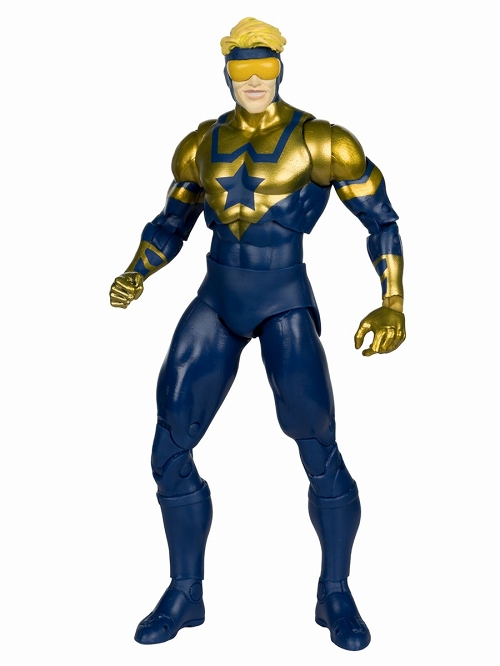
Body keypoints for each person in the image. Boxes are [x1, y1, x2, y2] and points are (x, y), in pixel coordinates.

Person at [110, 17, 405, 651]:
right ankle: (185, 592)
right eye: (241, 68)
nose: (253, 79)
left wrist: (393, 303)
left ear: (280, 68)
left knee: (319, 449)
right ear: (225, 72)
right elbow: (171, 222)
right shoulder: (201, 144)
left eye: (263, 67)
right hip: (216, 299)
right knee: (168, 446)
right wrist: (137, 271)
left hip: (284, 302)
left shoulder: (322, 141)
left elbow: (381, 220)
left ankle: (335, 592)